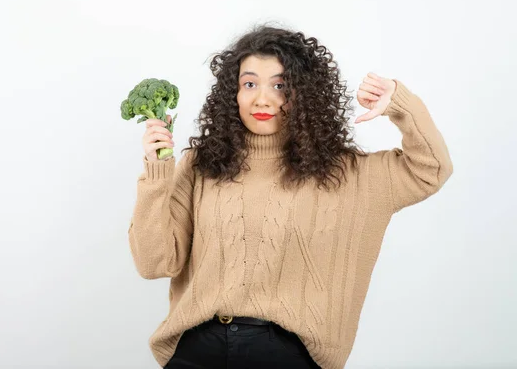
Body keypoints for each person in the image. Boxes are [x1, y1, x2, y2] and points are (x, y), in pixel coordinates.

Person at [127, 25, 453, 369]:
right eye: (249, 84)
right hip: (198, 349)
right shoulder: (201, 165)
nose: (262, 99)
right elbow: (154, 263)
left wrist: (401, 105)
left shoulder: (349, 173)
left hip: (285, 355)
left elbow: (430, 169)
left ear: (305, 94)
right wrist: (156, 170)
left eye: (280, 85)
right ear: (232, 93)